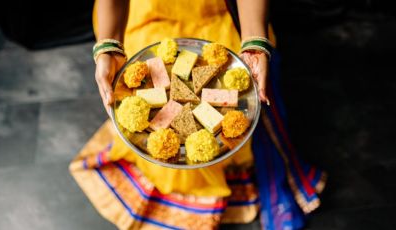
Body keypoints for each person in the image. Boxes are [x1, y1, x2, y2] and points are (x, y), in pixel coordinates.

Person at [69, 0, 326, 229]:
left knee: (243, 93)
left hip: (225, 12)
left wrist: (254, 41)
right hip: (147, 16)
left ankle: (267, 173)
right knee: (154, 109)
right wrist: (108, 47)